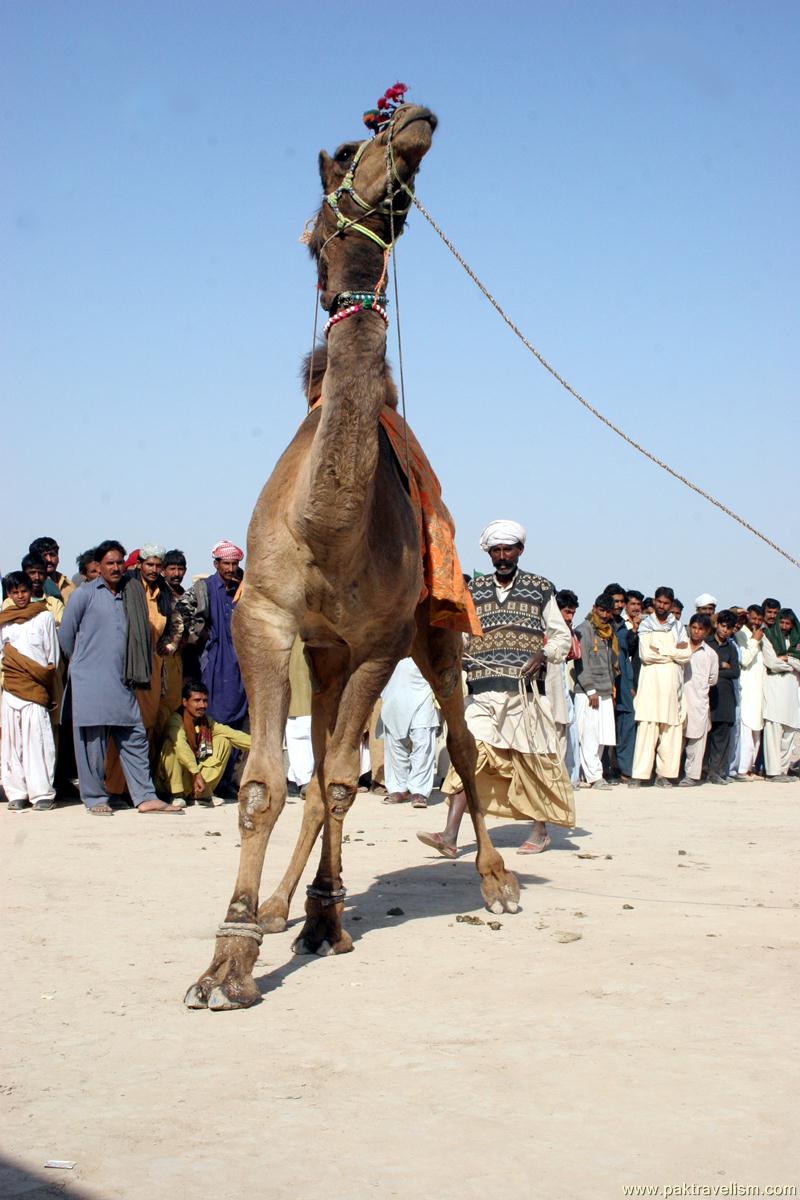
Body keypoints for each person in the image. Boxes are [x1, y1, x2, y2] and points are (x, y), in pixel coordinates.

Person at [417, 519, 574, 858]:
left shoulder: (541, 587)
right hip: (482, 690)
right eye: (496, 550)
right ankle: (450, 834)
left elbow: (562, 636)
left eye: (508, 549)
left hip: (524, 692)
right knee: (468, 754)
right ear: (488, 552)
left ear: (520, 550)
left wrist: (543, 654)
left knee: (530, 759)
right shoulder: (473, 590)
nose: (502, 556)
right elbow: (458, 634)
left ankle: (540, 830)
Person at [58, 540, 180, 815]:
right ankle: (94, 798)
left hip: (124, 680)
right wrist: (83, 663)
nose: (115, 567)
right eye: (109, 563)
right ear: (98, 567)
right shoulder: (84, 595)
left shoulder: (131, 593)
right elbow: (66, 637)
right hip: (90, 680)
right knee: (93, 743)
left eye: (119, 563)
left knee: (135, 736)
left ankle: (145, 796)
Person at [0, 571, 60, 811]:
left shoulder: (44, 617)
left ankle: (42, 793)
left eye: (24, 591)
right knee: (12, 743)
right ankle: (16, 792)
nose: (20, 596)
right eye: (15, 592)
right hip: (11, 689)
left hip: (36, 689)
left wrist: (47, 685)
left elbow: (52, 657)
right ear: (8, 594)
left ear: (31, 590)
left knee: (38, 740)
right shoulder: (4, 621)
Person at [630, 586, 691, 788]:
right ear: (654, 601)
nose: (662, 606)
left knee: (670, 733)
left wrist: (662, 650)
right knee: (647, 731)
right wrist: (673, 651)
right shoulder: (646, 625)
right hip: (650, 685)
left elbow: (686, 654)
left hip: (672, 686)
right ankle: (640, 775)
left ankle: (664, 775)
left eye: (666, 603)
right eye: (659, 602)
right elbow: (646, 655)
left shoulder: (678, 627)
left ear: (671, 604)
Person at [156, 680, 252, 807]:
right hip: (173, 781)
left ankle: (200, 794)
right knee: (171, 746)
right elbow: (181, 747)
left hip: (195, 780)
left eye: (205, 701)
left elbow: (233, 734)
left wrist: (263, 746)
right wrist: (196, 774)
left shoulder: (206, 722)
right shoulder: (175, 721)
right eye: (197, 700)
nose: (202, 705)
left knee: (223, 740)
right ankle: (176, 795)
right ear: (185, 702)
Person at [379, 657, 439, 807]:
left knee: (423, 741)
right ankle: (399, 788)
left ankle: (419, 791)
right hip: (393, 690)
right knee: (394, 743)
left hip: (422, 689)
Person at [572, 594, 618, 789]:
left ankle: (591, 773)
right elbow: (581, 664)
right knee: (589, 735)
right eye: (602, 610)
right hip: (589, 692)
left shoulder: (607, 632)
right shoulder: (584, 630)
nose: (605, 615)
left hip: (605, 690)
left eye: (608, 611)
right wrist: (591, 690)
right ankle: (593, 776)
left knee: (602, 737)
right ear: (594, 608)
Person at [760, 608, 800, 780]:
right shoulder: (767, 636)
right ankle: (773, 771)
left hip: (791, 691)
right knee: (774, 733)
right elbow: (772, 663)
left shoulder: (795, 641)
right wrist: (792, 663)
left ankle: (782, 770)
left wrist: (787, 659)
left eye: (787, 624)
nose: (784, 627)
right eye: (781, 623)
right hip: (775, 689)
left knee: (789, 733)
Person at [702, 610, 741, 785]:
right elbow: (703, 667)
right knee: (703, 736)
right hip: (706, 696)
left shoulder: (731, 648)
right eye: (723, 626)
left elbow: (735, 672)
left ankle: (715, 772)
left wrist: (717, 670)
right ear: (717, 625)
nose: (725, 630)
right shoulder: (706, 643)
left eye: (729, 628)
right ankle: (700, 771)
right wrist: (720, 665)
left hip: (725, 698)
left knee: (721, 737)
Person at [545, 588, 580, 784]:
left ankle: (560, 777)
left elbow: (575, 653)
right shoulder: (547, 629)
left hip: (562, 688)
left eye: (572, 613)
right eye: (567, 612)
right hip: (548, 688)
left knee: (562, 731)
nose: (570, 616)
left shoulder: (567, 631)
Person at [680, 613, 718, 787]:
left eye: (700, 629)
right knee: (676, 739)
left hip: (699, 702)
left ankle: (692, 775)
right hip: (679, 700)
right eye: (693, 628)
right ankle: (672, 773)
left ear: (707, 631)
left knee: (696, 740)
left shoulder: (710, 654)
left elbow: (713, 679)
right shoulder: (680, 647)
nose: (696, 632)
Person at [735, 604, 766, 777]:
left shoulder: (762, 636)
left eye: (759, 619)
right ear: (748, 617)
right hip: (747, 690)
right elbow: (744, 660)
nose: (756, 622)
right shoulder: (741, 635)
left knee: (756, 733)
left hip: (758, 691)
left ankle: (751, 767)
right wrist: (754, 640)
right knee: (746, 731)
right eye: (753, 618)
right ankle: (741, 769)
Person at [15, 553, 65, 624]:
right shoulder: (11, 603)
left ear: (45, 576)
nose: (37, 577)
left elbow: (61, 629)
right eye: (32, 573)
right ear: (24, 574)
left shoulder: (55, 604)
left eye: (40, 573)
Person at [28, 537, 75, 606]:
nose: (49, 560)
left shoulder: (69, 585)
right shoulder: (26, 587)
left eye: (52, 555)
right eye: (44, 556)